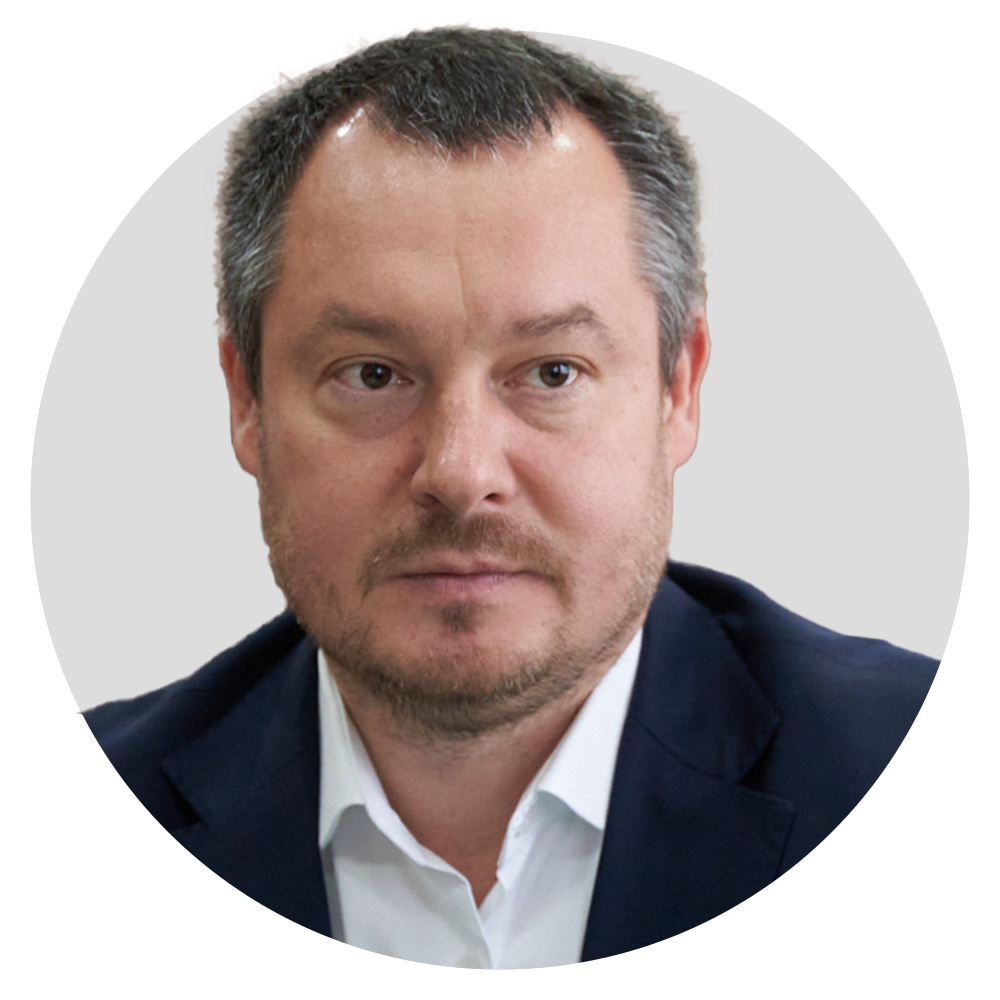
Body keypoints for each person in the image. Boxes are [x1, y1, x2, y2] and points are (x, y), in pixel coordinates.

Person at [84, 27, 937, 968]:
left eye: (552, 371)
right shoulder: (65, 830)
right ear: (246, 401)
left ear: (678, 390)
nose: (460, 472)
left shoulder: (941, 779)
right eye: (372, 374)